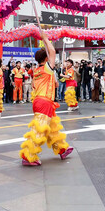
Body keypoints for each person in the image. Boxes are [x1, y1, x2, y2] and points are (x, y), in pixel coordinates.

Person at [19, 30, 73, 166]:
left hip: (41, 101)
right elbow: (53, 51)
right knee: (40, 129)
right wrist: (45, 38)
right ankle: (28, 155)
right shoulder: (47, 68)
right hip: (44, 102)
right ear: (47, 58)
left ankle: (62, 149)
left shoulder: (36, 71)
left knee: (53, 127)